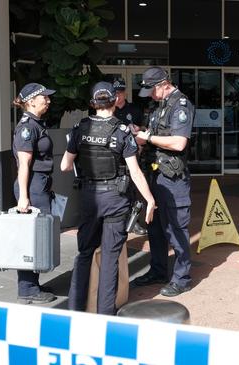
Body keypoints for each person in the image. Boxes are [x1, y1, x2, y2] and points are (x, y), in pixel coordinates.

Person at [61, 81, 156, 315]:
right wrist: (150, 200)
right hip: (114, 200)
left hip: (88, 199)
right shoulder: (122, 131)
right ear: (114, 101)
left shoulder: (79, 129)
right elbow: (134, 172)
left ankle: (75, 308)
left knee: (84, 254)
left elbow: (65, 165)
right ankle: (105, 314)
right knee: (110, 259)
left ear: (92, 104)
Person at [133, 67, 194, 297]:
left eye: (151, 90)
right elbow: (157, 134)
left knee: (176, 228)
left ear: (163, 84)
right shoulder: (160, 106)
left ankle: (182, 278)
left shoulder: (181, 105)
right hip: (155, 175)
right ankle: (158, 270)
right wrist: (141, 132)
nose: (149, 95)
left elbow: (179, 143)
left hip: (172, 178)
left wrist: (148, 137)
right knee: (155, 228)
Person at [11, 82, 58, 305]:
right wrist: (24, 196)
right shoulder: (27, 127)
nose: (48, 100)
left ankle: (32, 283)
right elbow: (24, 164)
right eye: (44, 97)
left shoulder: (37, 124)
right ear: (31, 101)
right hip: (31, 186)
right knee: (31, 238)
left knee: (38, 236)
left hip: (39, 184)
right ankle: (27, 288)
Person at [112, 77, 147, 236]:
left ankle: (134, 222)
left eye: (120, 92)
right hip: (112, 157)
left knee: (133, 190)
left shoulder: (134, 110)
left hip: (131, 155)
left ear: (125, 93)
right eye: (115, 93)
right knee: (115, 190)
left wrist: (140, 130)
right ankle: (117, 220)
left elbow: (144, 130)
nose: (117, 96)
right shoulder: (108, 109)